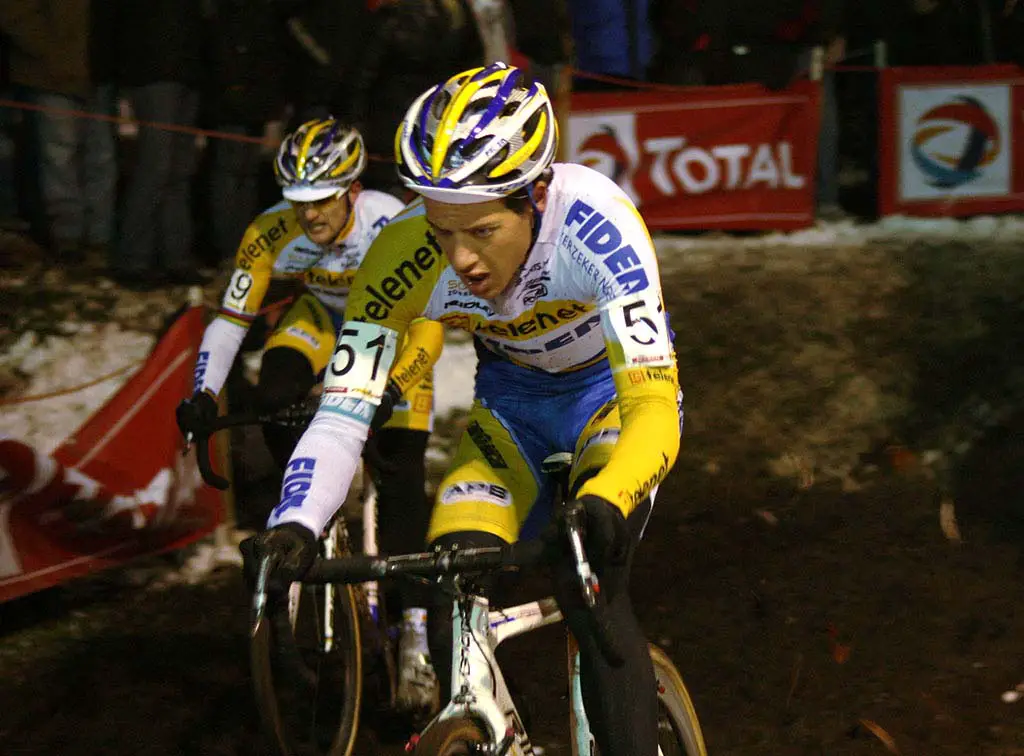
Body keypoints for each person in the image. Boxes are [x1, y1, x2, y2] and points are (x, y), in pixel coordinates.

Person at [248, 63, 684, 754]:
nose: (460, 260)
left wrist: (608, 498)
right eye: (441, 229)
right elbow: (342, 415)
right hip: (508, 413)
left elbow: (654, 401)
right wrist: (296, 522)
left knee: (590, 589)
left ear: (534, 196)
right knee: (452, 571)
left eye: (480, 230)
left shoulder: (597, 225)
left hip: (609, 408)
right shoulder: (400, 256)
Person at [176, 118, 443, 711]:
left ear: (351, 191)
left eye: (322, 201)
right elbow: (229, 321)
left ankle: (418, 630)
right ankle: (305, 512)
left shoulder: (390, 222)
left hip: (394, 333)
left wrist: (393, 389)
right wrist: (202, 393)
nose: (310, 216)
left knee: (402, 476)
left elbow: (427, 324)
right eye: (297, 202)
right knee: (274, 395)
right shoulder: (271, 231)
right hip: (321, 321)